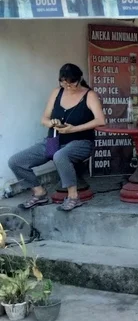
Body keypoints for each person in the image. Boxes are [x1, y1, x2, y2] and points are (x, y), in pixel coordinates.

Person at [8, 64, 105, 212]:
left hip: (81, 142)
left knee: (60, 156)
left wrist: (74, 128)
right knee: (16, 161)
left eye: (71, 82)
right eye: (63, 82)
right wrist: (52, 123)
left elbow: (100, 120)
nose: (67, 86)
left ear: (79, 79)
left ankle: (73, 197)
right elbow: (44, 119)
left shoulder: (89, 95)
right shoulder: (57, 92)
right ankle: (39, 193)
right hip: (54, 141)